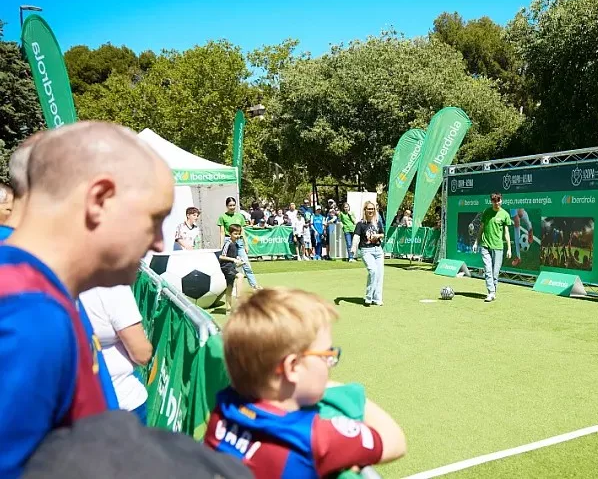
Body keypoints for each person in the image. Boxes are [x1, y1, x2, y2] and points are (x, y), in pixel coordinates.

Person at [0, 122, 174, 476]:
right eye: (155, 218)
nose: (159, 242)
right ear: (99, 200)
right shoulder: (26, 314)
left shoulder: (38, 293)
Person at [203, 288, 406, 477]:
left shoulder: (221, 410)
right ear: (293, 367)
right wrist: (349, 394)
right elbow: (395, 441)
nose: (330, 362)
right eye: (326, 354)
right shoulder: (315, 439)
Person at [80, 286, 153, 424]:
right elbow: (141, 353)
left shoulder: (42, 282)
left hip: (73, 406)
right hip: (120, 402)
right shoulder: (112, 287)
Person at [472, 192, 512, 303]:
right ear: (491, 201)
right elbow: (481, 228)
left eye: (498, 200)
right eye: (494, 201)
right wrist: (476, 242)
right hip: (485, 245)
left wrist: (509, 248)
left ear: (501, 201)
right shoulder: (486, 212)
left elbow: (506, 233)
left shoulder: (505, 215)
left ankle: (493, 290)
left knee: (495, 272)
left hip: (498, 247)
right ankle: (491, 292)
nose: (496, 203)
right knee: (488, 270)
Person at [218, 197, 260, 290]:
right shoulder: (222, 217)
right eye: (230, 205)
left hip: (239, 242)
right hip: (228, 242)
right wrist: (221, 246)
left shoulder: (240, 216)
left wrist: (246, 244)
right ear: (226, 206)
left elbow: (243, 231)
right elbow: (221, 232)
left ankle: (254, 285)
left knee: (246, 264)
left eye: (233, 205)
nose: (232, 207)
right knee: (229, 265)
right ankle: (228, 287)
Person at [351, 201, 385, 306]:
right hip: (366, 251)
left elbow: (383, 234)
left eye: (372, 209)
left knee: (379, 274)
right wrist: (353, 248)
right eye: (368, 209)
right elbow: (356, 237)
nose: (370, 211)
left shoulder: (377, 222)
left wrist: (378, 236)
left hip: (378, 250)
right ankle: (368, 297)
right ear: (365, 210)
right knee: (373, 271)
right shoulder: (360, 224)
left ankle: (377, 298)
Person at [219, 224, 246, 312]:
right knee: (240, 276)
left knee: (229, 287)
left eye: (238, 234)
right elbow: (221, 256)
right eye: (235, 234)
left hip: (231, 266)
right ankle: (239, 300)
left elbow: (234, 256)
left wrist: (238, 260)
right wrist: (233, 259)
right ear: (230, 234)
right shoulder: (228, 243)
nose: (237, 236)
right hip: (226, 267)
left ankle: (228, 309)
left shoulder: (236, 244)